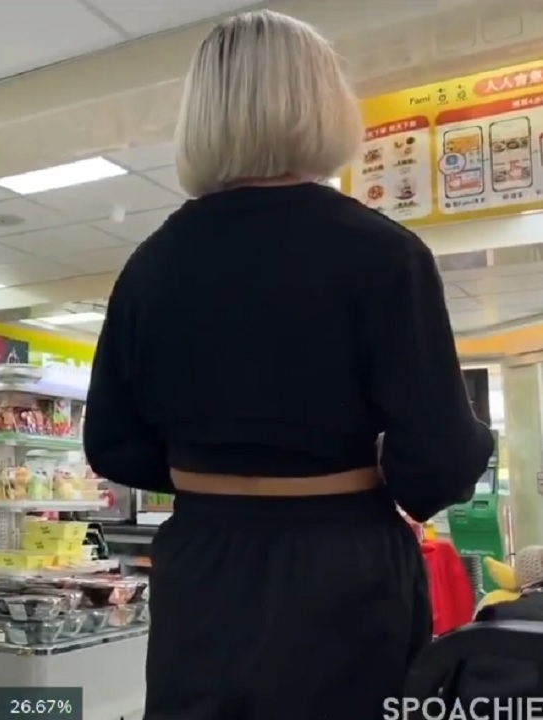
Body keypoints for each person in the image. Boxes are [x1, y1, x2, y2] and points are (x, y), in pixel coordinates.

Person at [83, 10, 494, 719]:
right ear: (324, 101)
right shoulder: (384, 255)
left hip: (202, 562)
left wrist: (211, 471)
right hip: (343, 564)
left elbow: (112, 442)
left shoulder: (150, 265)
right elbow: (445, 456)